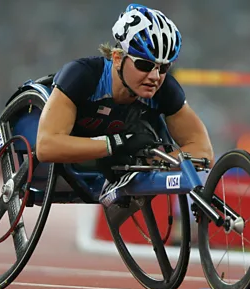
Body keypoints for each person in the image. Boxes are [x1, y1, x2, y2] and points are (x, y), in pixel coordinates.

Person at [36, 3, 214, 181]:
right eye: (144, 65)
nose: (155, 77)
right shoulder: (83, 75)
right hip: (71, 153)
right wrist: (118, 143)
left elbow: (204, 151)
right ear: (117, 58)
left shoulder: (165, 88)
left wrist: (154, 161)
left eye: (163, 67)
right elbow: (46, 146)